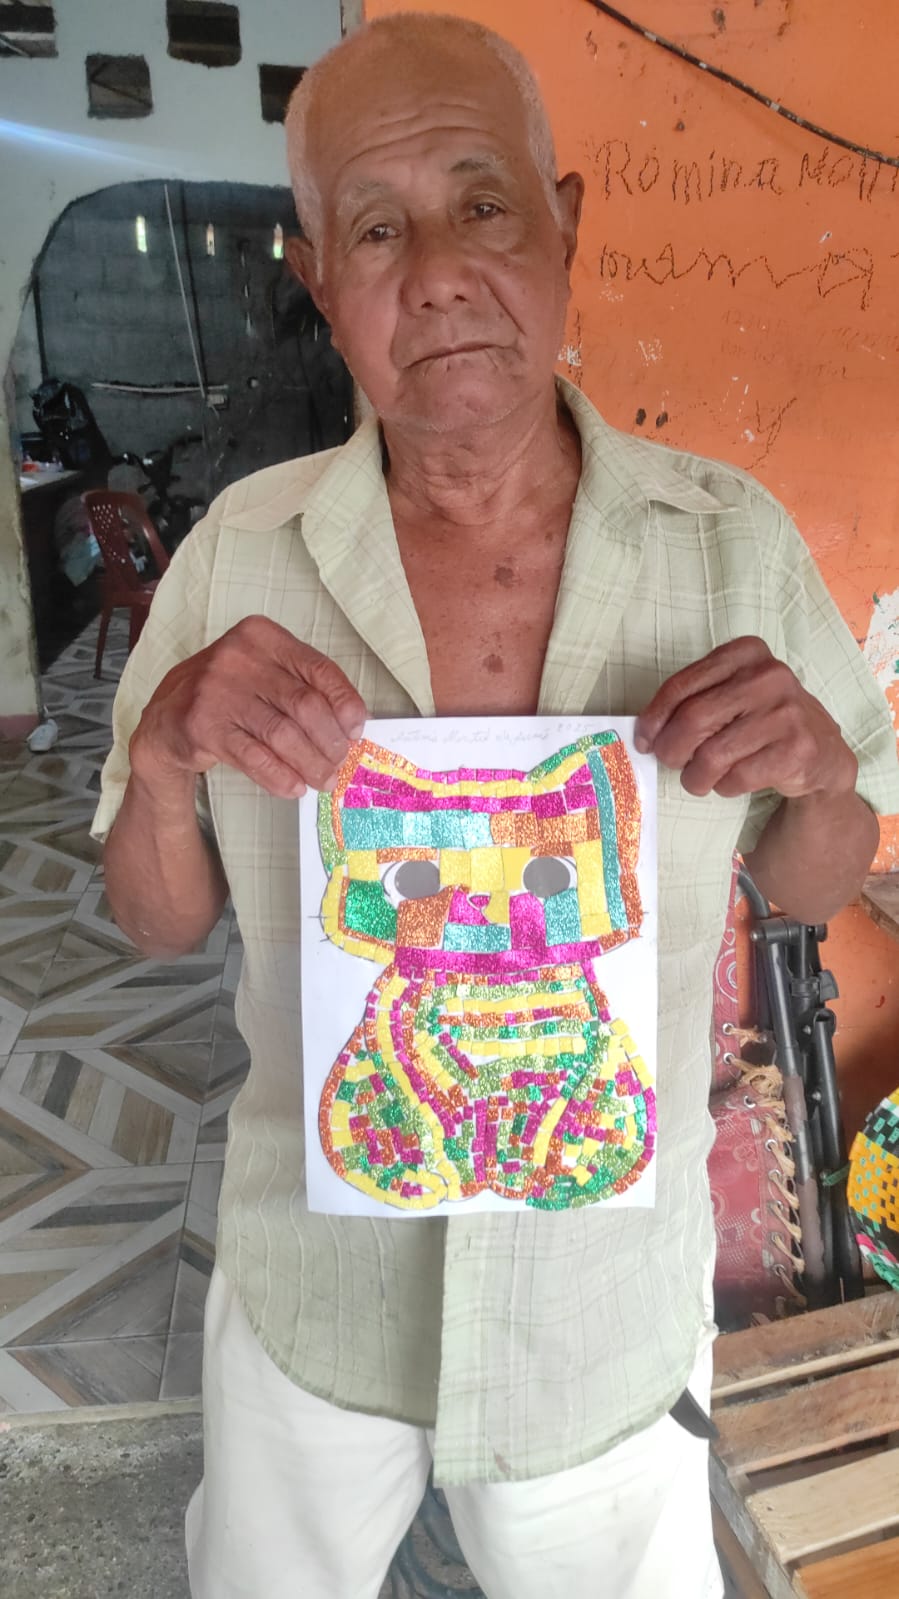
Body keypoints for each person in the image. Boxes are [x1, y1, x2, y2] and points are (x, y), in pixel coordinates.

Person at [92, 14, 899, 1599]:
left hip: (602, 1293)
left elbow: (814, 885)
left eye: (484, 205)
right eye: (377, 231)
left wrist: (816, 771)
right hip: (320, 1282)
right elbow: (155, 917)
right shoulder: (237, 559)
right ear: (316, 278)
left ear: (566, 224)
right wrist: (172, 754)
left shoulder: (726, 545)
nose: (443, 274)